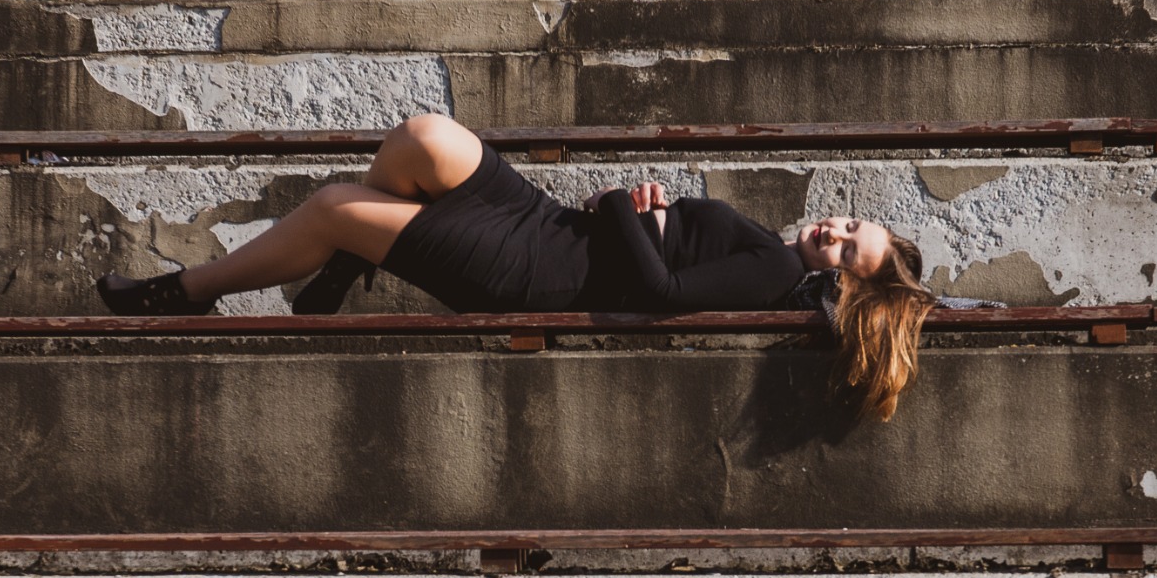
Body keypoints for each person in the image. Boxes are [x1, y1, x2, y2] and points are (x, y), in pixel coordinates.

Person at [97, 114, 937, 420]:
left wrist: (622, 205)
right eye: (848, 222)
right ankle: (344, 264)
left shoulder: (766, 275)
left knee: (332, 206)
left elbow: (658, 295)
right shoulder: (765, 246)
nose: (832, 228)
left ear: (841, 287)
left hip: (535, 267)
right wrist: (653, 214)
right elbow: (664, 256)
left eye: (844, 248)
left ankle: (183, 294)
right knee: (423, 137)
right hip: (549, 224)